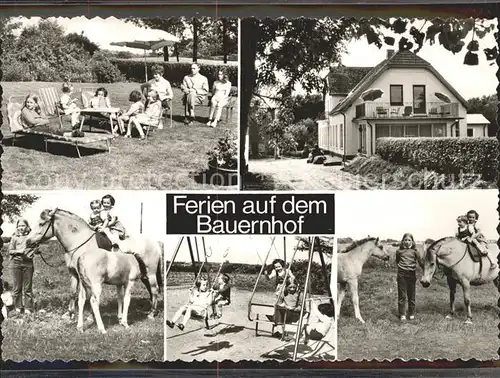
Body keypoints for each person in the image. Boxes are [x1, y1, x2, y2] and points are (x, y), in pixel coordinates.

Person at [8, 219, 39, 316]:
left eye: (23, 225)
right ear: (17, 227)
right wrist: (19, 251)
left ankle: (28, 308)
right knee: (17, 288)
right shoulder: (14, 238)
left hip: (28, 264)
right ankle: (18, 307)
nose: (21, 228)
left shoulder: (31, 237)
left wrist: (37, 251)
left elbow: (35, 249)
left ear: (27, 226)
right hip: (16, 264)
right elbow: (10, 251)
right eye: (19, 226)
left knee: (28, 288)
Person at [395, 232, 419, 321]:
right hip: (402, 274)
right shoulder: (399, 251)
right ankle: (402, 314)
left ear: (412, 241)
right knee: (402, 295)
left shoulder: (415, 252)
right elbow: (397, 261)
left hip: (412, 274)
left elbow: (420, 262)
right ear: (402, 241)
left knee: (411, 295)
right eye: (405, 240)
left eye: (409, 240)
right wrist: (403, 268)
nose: (407, 242)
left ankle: (411, 313)